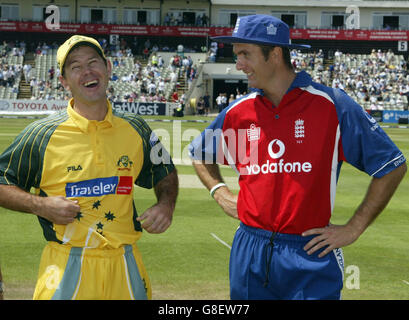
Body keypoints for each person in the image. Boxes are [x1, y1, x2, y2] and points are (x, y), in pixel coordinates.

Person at [188, 15, 407, 300]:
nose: (238, 64)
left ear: (275, 54)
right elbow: (199, 152)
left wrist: (354, 227)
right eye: (237, 55)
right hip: (250, 249)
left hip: (310, 252)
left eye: (245, 54)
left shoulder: (332, 105)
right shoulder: (238, 111)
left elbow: (392, 166)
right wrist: (219, 192)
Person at [0, 35, 178, 300]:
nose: (87, 72)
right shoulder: (41, 134)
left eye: (93, 62)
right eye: (75, 67)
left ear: (107, 68)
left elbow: (165, 172)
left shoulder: (137, 128)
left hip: (125, 264)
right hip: (65, 265)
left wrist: (166, 204)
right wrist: (40, 205)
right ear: (64, 81)